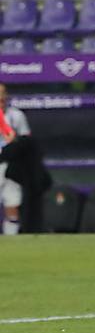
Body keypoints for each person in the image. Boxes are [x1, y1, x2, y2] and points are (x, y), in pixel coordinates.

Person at [0, 82, 32, 236]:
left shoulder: (16, 115)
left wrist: (14, 143)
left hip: (10, 166)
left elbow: (26, 140)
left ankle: (10, 241)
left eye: (3, 93)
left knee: (12, 205)